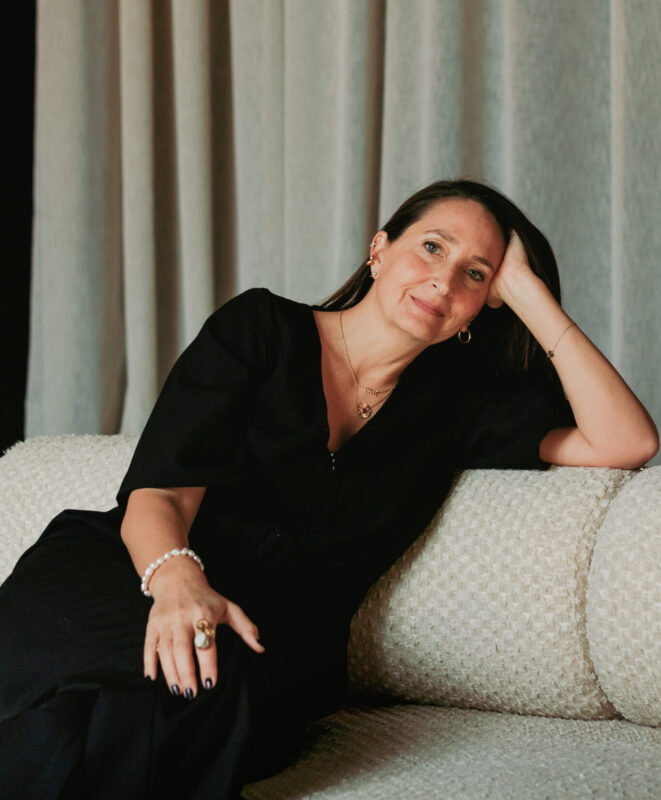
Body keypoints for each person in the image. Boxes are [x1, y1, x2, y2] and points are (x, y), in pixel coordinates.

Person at [0, 179, 657, 799]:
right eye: (431, 246)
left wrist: (527, 291)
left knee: (183, 700)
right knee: (166, 696)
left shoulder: (458, 412)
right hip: (121, 579)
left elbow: (626, 441)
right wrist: (177, 584)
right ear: (379, 249)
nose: (443, 278)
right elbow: (161, 493)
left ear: (481, 309)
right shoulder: (260, 330)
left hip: (260, 658)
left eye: (475, 274)